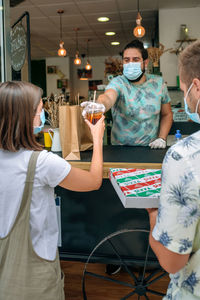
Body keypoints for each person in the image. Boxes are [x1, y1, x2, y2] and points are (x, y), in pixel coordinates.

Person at [0, 81, 105, 300]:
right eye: (40, 112)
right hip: (35, 273)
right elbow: (94, 181)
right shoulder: (41, 163)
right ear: (25, 118)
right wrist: (97, 138)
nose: (42, 119)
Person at [147, 40, 200, 300]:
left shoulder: (184, 157)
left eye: (184, 90)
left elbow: (172, 261)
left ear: (196, 87)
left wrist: (154, 219)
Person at [97, 39, 173, 148]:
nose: (130, 63)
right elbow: (108, 97)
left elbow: (167, 114)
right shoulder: (118, 82)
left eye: (136, 59)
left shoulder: (158, 83)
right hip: (120, 150)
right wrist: (100, 105)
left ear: (145, 62)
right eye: (127, 60)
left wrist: (162, 138)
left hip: (150, 148)